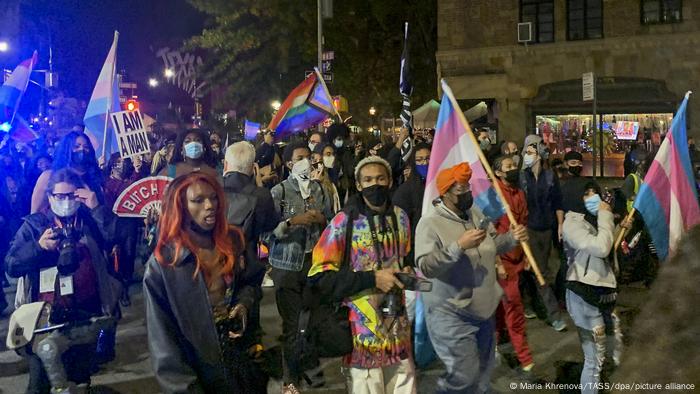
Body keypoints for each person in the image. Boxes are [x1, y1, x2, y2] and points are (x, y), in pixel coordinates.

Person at [144, 172, 266, 393]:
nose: (209, 205)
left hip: (242, 364)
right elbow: (163, 342)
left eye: (213, 198)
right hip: (199, 374)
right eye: (197, 201)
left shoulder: (233, 240)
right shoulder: (164, 263)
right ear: (180, 206)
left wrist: (243, 304)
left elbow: (252, 281)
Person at [415, 162, 529, 393]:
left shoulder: (475, 213)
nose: (467, 193)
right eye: (460, 190)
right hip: (451, 312)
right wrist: (458, 246)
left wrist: (512, 238)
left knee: (484, 373)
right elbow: (426, 266)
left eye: (467, 187)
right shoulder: (430, 223)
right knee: (463, 376)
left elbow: (492, 245)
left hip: (483, 310)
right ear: (445, 193)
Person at [6, 168, 121, 393]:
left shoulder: (88, 219)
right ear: (49, 197)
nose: (66, 201)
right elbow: (11, 264)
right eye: (60, 196)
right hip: (44, 317)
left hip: (86, 311)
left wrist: (97, 208)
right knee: (40, 381)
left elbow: (116, 238)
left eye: (71, 195)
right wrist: (38, 248)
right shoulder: (34, 225)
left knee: (80, 377)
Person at [309, 156, 416, 394]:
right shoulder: (343, 221)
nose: (374, 185)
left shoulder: (401, 217)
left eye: (380, 178)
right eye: (367, 180)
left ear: (389, 181)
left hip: (397, 327)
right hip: (361, 335)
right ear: (358, 185)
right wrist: (372, 278)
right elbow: (319, 276)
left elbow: (404, 256)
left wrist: (406, 270)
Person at [266, 140, 332, 393]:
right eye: (301, 157)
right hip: (287, 266)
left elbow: (331, 223)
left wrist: (321, 219)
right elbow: (267, 233)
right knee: (291, 326)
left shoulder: (320, 189)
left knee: (314, 320)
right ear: (291, 163)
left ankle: (310, 367)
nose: (308, 161)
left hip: (314, 263)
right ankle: (290, 380)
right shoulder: (279, 192)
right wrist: (292, 222)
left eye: (309, 156)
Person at [562, 181, 621, 394]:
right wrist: (606, 217)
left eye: (594, 192)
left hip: (602, 292)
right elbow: (600, 248)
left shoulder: (593, 219)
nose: (592, 197)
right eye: (586, 193)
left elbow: (606, 248)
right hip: (584, 294)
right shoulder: (572, 222)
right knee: (594, 358)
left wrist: (615, 226)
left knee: (607, 352)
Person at [492, 156, 535, 376]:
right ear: (498, 172)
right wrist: (497, 261)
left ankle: (497, 344)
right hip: (502, 264)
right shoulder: (493, 195)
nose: (513, 169)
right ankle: (525, 357)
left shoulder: (519, 193)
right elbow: (489, 231)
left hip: (518, 258)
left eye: (514, 166)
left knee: (502, 309)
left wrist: (527, 254)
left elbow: (524, 224)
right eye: (508, 167)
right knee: (514, 308)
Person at [519, 135, 567, 331]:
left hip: (546, 229)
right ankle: (553, 314)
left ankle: (529, 302)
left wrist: (560, 224)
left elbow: (557, 202)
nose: (528, 155)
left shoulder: (549, 176)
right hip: (528, 228)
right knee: (541, 272)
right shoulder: (521, 177)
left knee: (536, 267)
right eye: (526, 152)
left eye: (531, 152)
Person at [31, 131, 105, 214]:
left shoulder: (94, 176)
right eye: (76, 146)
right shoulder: (49, 176)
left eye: (86, 147)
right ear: (66, 149)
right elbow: (35, 213)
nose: (82, 150)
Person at [311, 143, 342, 213]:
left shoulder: (332, 176)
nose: (332, 157)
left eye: (333, 154)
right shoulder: (311, 179)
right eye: (328, 154)